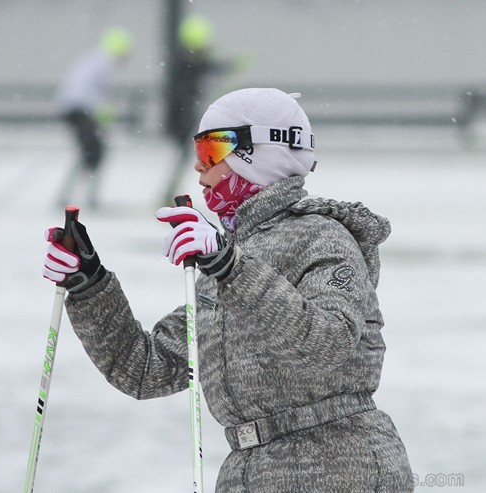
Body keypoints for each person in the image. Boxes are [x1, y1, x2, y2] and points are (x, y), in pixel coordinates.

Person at [42, 88, 414, 492]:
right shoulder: (233, 259)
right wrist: (89, 283)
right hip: (249, 472)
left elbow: (326, 343)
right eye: (198, 152)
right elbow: (144, 369)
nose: (200, 170)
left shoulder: (321, 238)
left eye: (211, 152)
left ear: (258, 154)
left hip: (338, 467)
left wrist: (229, 266)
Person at [162, 15, 241, 205]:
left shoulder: (183, 60)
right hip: (183, 116)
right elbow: (204, 68)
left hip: (182, 115)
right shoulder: (187, 62)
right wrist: (228, 65)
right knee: (186, 155)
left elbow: (204, 67)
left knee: (185, 156)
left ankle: (169, 193)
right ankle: (168, 193)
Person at [55, 28, 131, 209]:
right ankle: (84, 196)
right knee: (93, 152)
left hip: (75, 109)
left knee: (90, 152)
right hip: (80, 110)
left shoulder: (95, 60)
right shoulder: (103, 65)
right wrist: (101, 111)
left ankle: (72, 194)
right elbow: (89, 92)